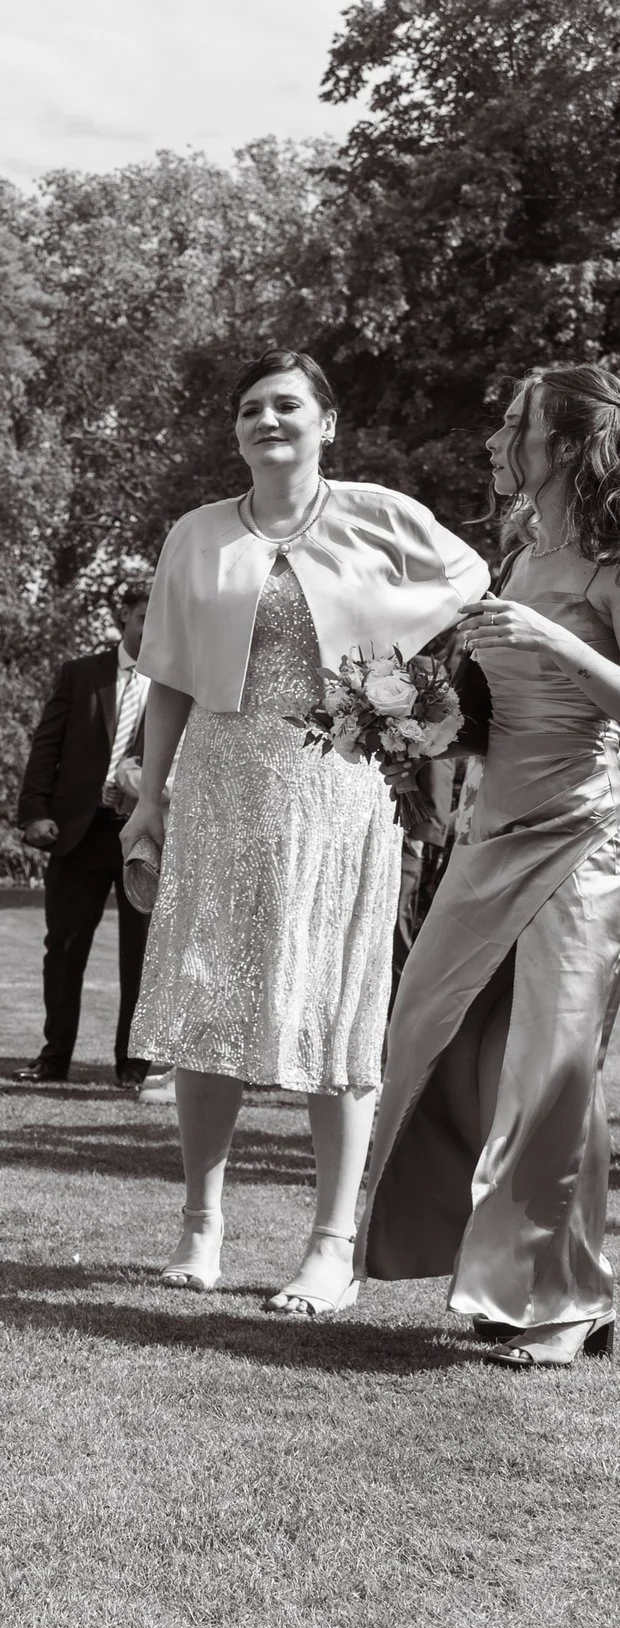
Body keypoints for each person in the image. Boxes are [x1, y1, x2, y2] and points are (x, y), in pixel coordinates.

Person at [122, 349, 485, 1313]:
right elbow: (166, 677)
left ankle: (332, 1244)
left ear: (327, 422)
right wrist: (151, 800)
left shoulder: (374, 513)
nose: (265, 420)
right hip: (221, 781)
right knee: (206, 1005)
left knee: (341, 1009)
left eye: (287, 405)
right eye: (249, 409)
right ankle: (202, 1223)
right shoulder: (195, 535)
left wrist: (392, 664)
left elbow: (470, 572)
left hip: (339, 787)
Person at [361, 366, 620, 1369]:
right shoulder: (519, 556)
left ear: (562, 445)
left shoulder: (603, 562)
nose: (492, 438)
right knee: (434, 1030)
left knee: (549, 1072)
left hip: (581, 842)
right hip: (491, 833)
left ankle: (550, 1303)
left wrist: (549, 633)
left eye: (513, 423)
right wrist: (412, 717)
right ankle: (553, 1277)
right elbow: (489, 715)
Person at [15, 587, 152, 1091]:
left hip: (145, 839)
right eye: (143, 617)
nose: (150, 628)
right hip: (78, 833)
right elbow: (46, 745)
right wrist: (34, 812)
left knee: (141, 955)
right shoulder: (80, 674)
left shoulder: (183, 683)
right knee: (65, 949)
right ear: (124, 618)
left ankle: (133, 1066)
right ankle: (54, 1059)